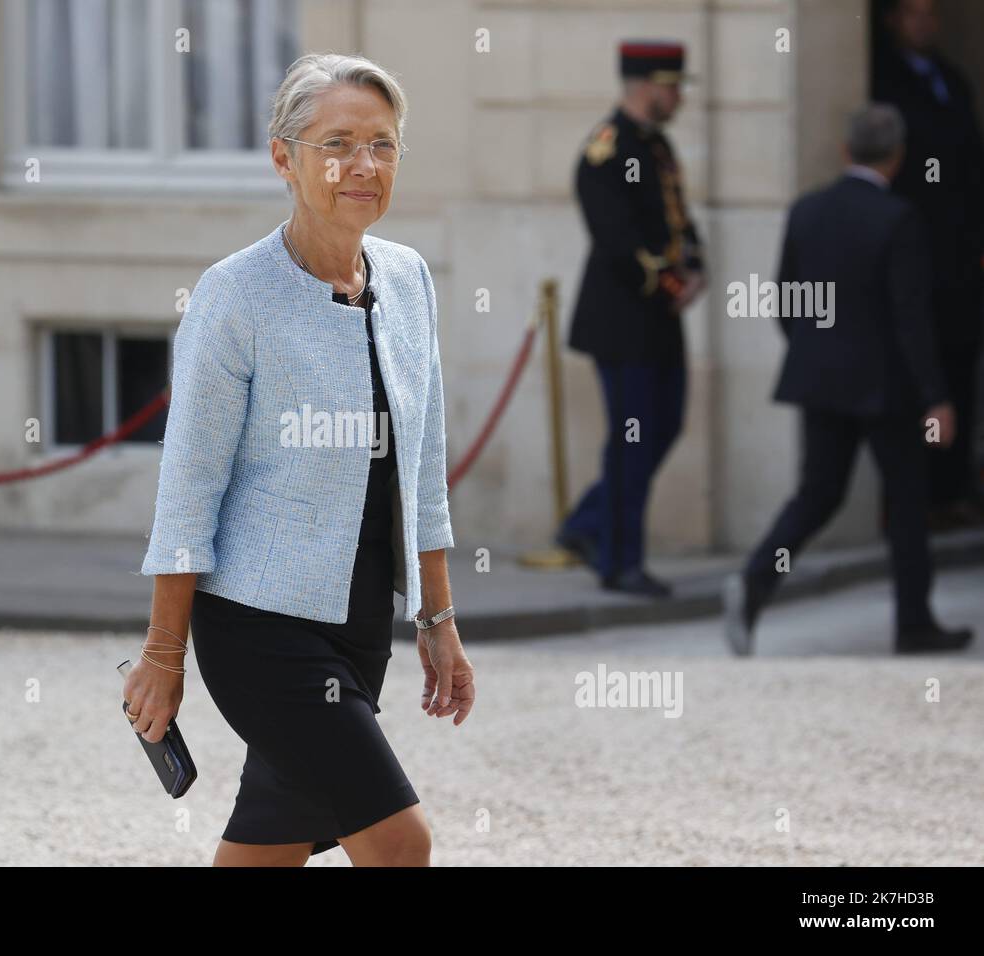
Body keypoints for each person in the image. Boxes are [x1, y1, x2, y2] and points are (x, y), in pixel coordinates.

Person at [126, 53, 476, 867]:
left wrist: (439, 619)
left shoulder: (408, 278)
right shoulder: (235, 294)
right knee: (399, 842)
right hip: (260, 628)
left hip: (360, 624)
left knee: (266, 850)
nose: (363, 165)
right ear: (283, 158)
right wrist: (162, 652)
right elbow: (188, 486)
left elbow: (423, 469)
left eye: (383, 145)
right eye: (338, 143)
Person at [723, 103, 973, 657]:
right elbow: (911, 317)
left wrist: (816, 352)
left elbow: (786, 299)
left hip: (820, 379)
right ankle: (913, 623)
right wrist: (936, 396)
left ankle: (755, 581)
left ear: (845, 150)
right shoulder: (899, 218)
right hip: (887, 388)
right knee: (907, 501)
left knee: (818, 494)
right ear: (899, 156)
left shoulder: (807, 210)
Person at [555, 40, 706, 598]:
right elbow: (617, 238)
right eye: (671, 86)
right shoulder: (608, 149)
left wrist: (697, 267)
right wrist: (670, 281)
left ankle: (587, 526)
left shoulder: (656, 145)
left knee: (663, 427)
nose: (677, 96)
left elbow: (677, 218)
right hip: (621, 318)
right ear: (644, 85)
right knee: (632, 438)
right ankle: (620, 562)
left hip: (659, 318)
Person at [873, 0, 984, 528]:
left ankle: (950, 487)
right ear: (892, 18)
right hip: (914, 246)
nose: (925, 22)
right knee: (918, 375)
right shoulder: (882, 76)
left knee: (959, 367)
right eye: (913, 12)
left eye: (931, 12)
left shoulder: (952, 79)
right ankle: (911, 495)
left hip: (959, 254)